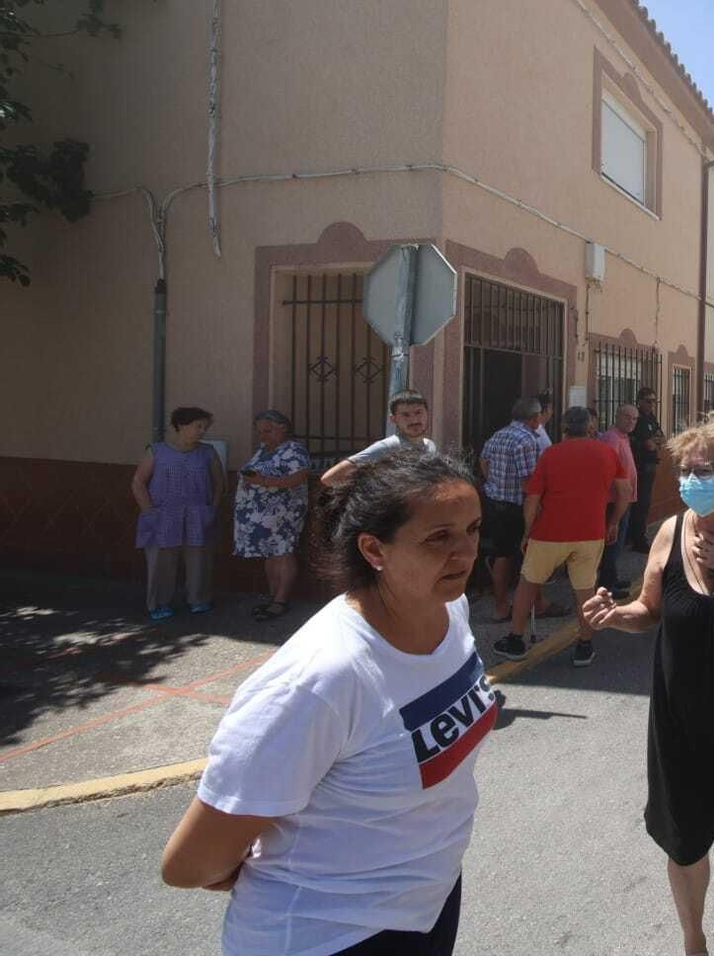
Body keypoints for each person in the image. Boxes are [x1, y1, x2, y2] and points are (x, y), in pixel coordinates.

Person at [161, 450, 494, 956]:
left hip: (428, 902)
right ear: (373, 549)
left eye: (472, 529)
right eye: (438, 537)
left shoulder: (451, 606)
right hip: (329, 934)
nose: (466, 553)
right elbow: (190, 863)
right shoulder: (320, 680)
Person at [582, 412, 714, 956]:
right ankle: (694, 942)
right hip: (680, 720)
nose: (688, 481)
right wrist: (616, 616)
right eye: (684, 469)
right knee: (683, 843)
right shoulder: (669, 531)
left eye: (702, 470)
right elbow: (647, 611)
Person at [493, 406, 628, 666]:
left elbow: (532, 499)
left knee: (528, 583)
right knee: (585, 590)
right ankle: (584, 645)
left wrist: (527, 531)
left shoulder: (550, 454)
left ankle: (515, 641)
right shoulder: (607, 453)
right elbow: (625, 491)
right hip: (590, 532)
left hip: (549, 533)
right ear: (590, 428)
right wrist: (613, 523)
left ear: (564, 429)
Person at [132, 406, 225, 620]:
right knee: (161, 562)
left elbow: (219, 483)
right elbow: (138, 482)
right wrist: (148, 511)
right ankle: (159, 603)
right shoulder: (156, 451)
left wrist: (212, 507)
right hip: (163, 514)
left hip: (198, 514)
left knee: (199, 559)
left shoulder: (208, 452)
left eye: (205, 427)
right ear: (181, 426)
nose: (202, 431)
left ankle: (198, 599)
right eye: (198, 426)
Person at [232, 410, 311, 622]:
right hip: (260, 513)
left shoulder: (293, 449)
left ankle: (281, 601)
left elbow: (299, 477)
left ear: (282, 427)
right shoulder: (263, 450)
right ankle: (272, 597)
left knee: (283, 553)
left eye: (267, 431)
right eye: (259, 432)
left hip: (283, 512)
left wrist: (263, 482)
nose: (263, 436)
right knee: (271, 553)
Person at [477, 396, 543, 621]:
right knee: (527, 556)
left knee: (501, 554)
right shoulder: (526, 440)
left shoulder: (499, 434)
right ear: (534, 418)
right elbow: (528, 481)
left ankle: (502, 606)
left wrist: (494, 483)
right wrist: (536, 506)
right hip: (516, 506)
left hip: (495, 502)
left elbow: (483, 461)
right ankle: (529, 605)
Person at [321, 390, 437, 485]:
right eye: (405, 415)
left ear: (427, 413)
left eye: (418, 412)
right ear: (393, 419)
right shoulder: (388, 447)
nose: (414, 420)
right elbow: (329, 478)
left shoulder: (430, 446)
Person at [596, 404, 640, 599]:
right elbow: (606, 469)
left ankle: (612, 578)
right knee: (612, 543)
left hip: (624, 499)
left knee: (617, 543)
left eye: (634, 418)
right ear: (617, 416)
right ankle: (606, 585)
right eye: (627, 417)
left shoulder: (623, 437)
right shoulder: (611, 438)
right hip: (614, 501)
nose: (631, 421)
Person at [627, 388, 665, 553]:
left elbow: (662, 438)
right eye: (648, 401)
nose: (652, 405)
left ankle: (635, 536)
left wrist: (654, 441)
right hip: (638, 467)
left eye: (654, 401)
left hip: (649, 467)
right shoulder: (638, 419)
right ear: (640, 401)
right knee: (638, 504)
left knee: (644, 504)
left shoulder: (651, 418)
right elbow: (650, 444)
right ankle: (637, 540)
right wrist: (653, 442)